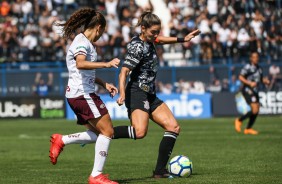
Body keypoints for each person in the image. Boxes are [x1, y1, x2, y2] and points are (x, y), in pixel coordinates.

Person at [112, 11, 200, 178]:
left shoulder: (151, 39)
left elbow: (160, 39)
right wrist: (122, 94)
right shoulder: (137, 46)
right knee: (139, 132)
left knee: (173, 127)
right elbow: (123, 72)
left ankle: (159, 171)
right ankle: (106, 133)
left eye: (157, 31)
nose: (156, 35)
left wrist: (183, 39)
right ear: (143, 29)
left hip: (149, 93)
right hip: (136, 92)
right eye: (153, 32)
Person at [48, 8, 120, 184]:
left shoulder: (86, 43)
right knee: (108, 131)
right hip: (83, 94)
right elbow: (80, 64)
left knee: (98, 133)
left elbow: (86, 72)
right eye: (101, 32)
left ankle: (61, 139)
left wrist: (104, 84)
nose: (101, 36)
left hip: (79, 94)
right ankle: (96, 175)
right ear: (98, 27)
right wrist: (106, 64)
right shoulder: (82, 42)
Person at [234, 52, 270, 135]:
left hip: (255, 90)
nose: (256, 58)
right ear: (251, 58)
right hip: (247, 89)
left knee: (256, 110)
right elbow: (240, 77)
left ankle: (248, 129)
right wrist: (249, 83)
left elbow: (260, 79)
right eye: (254, 57)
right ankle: (239, 120)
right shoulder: (247, 67)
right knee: (254, 109)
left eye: (257, 57)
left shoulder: (259, 68)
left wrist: (266, 81)